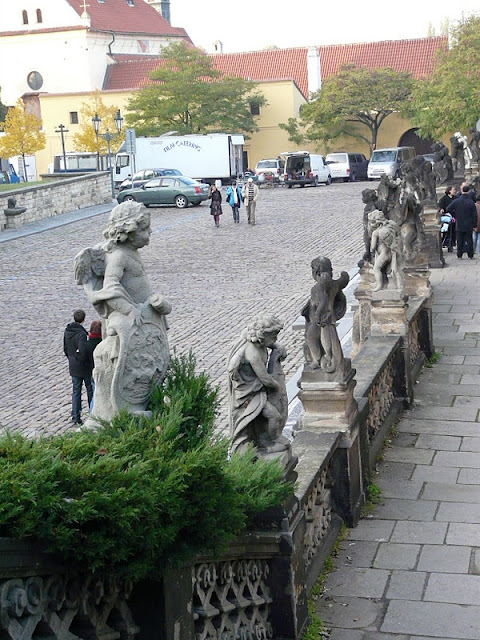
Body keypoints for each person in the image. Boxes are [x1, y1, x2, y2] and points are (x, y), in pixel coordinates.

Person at [74, 201, 171, 423]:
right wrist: (129, 310)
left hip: (145, 317)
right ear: (128, 232)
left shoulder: (131, 253)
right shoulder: (119, 256)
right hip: (131, 322)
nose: (150, 233)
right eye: (145, 229)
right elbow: (111, 288)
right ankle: (127, 405)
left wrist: (157, 304)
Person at [63, 309, 93, 425]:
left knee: (76, 391)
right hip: (83, 367)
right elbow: (83, 350)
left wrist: (71, 358)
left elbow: (65, 348)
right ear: (84, 319)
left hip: (73, 365)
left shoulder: (67, 331)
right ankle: (92, 413)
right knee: (89, 390)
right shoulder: (82, 334)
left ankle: (75, 416)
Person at [446, 185, 478, 259]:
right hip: (468, 223)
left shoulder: (456, 201)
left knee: (460, 240)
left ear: (462, 191)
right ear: (469, 191)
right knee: (469, 240)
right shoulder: (471, 202)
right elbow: (474, 214)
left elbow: (448, 208)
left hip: (459, 223)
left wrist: (454, 214)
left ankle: (459, 254)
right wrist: (475, 224)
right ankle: (470, 254)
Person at [79, 319, 102, 411]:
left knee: (94, 395)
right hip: (100, 372)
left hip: (91, 372)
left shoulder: (87, 345)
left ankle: (92, 412)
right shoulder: (101, 343)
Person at [438, 186, 456, 252]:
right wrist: (442, 210)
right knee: (447, 232)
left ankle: (452, 243)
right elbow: (441, 207)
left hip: (455, 217)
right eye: (453, 190)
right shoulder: (444, 199)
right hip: (447, 217)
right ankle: (447, 243)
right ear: (449, 191)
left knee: (454, 232)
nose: (454, 191)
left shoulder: (455, 198)